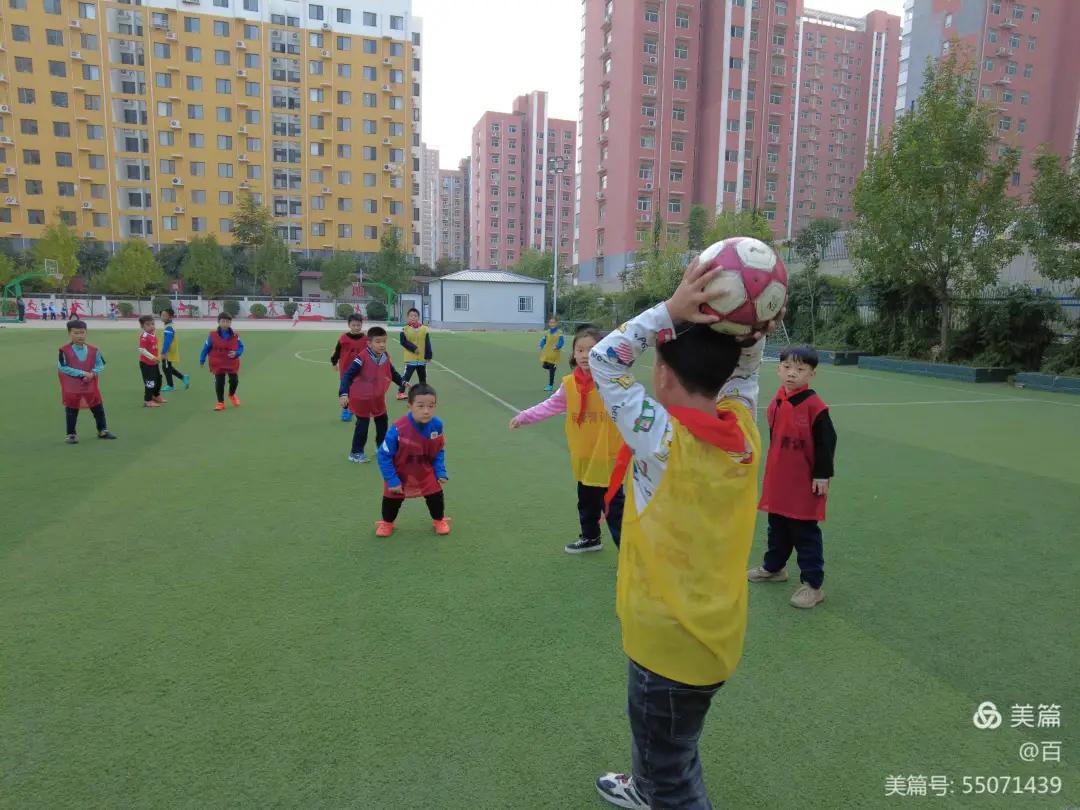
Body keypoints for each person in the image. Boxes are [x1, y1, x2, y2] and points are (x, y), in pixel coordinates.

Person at [592, 261, 773, 810]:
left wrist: (671, 312)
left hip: (667, 646)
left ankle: (656, 789)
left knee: (673, 770)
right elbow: (744, 378)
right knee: (664, 742)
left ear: (665, 377)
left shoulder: (662, 440)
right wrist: (748, 333)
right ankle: (644, 783)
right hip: (713, 635)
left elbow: (604, 359)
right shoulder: (744, 433)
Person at [510, 326, 626, 554]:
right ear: (573, 353)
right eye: (580, 350)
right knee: (586, 501)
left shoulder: (613, 382)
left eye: (591, 350)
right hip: (584, 455)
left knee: (614, 507)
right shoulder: (569, 384)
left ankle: (629, 553)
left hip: (608, 456)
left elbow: (632, 409)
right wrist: (524, 417)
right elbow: (550, 406)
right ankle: (591, 537)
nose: (584, 355)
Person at [748, 345, 837, 609]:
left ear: (812, 374)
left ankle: (813, 585)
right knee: (776, 527)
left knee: (804, 532)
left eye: (800, 369)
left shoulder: (815, 407)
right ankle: (774, 568)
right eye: (787, 367)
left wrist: (822, 475)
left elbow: (827, 443)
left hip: (804, 484)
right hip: (779, 480)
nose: (792, 373)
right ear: (778, 369)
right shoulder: (777, 401)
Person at [375, 383, 450, 537]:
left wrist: (440, 471)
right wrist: (392, 479)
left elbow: (438, 450)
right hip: (400, 473)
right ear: (409, 406)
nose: (426, 411)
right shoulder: (398, 429)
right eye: (420, 406)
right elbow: (384, 455)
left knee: (435, 496)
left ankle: (439, 520)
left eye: (431, 406)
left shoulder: (437, 425)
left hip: (425, 471)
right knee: (391, 499)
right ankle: (387, 523)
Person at [339, 326, 404, 463]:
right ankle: (356, 453)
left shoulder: (385, 356)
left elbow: (391, 372)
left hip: (377, 397)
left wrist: (402, 382)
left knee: (382, 421)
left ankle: (381, 447)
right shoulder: (361, 357)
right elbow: (347, 376)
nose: (382, 345)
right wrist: (343, 393)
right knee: (363, 425)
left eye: (384, 341)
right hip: (362, 397)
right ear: (369, 343)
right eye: (378, 341)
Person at [57, 320, 117, 443]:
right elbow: (62, 367)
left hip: (90, 385)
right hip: (72, 387)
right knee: (71, 410)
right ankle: (71, 434)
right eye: (76, 333)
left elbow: (101, 364)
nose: (80, 336)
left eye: (82, 332)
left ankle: (102, 430)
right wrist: (83, 373)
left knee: (98, 408)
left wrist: (93, 373)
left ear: (86, 333)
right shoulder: (64, 350)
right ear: (69, 334)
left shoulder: (94, 349)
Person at [199, 312, 244, 412]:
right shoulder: (212, 335)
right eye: (223, 321)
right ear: (219, 322)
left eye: (228, 322)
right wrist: (202, 359)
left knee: (234, 381)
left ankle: (231, 395)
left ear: (230, 323)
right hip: (218, 362)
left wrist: (237, 353)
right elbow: (206, 347)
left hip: (231, 361)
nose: (225, 324)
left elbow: (241, 347)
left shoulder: (235, 335)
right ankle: (220, 402)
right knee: (220, 382)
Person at [330, 313, 367, 422]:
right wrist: (334, 362)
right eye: (353, 325)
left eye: (358, 325)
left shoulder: (366, 339)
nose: (356, 327)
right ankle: (345, 409)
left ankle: (355, 407)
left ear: (361, 324)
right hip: (346, 370)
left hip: (360, 370)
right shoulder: (343, 338)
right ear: (349, 325)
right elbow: (337, 351)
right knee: (344, 390)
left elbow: (370, 353)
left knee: (358, 390)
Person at [396, 307, 432, 400]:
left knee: (423, 377)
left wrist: (428, 355)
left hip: (421, 359)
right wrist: (414, 348)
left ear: (418, 317)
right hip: (410, 358)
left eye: (415, 316)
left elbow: (427, 342)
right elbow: (403, 342)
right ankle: (400, 393)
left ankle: (423, 392)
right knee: (406, 377)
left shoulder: (424, 329)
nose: (413, 317)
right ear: (408, 317)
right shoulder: (404, 329)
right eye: (411, 316)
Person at [159, 307, 190, 393]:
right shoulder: (168, 325)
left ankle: (170, 385)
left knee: (165, 367)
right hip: (169, 350)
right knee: (168, 367)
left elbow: (167, 340)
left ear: (170, 317)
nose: (162, 317)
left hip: (167, 351)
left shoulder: (169, 327)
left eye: (164, 315)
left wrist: (164, 351)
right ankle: (183, 377)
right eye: (161, 315)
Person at [137, 315, 166, 408]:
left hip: (154, 363)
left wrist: (159, 356)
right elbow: (141, 349)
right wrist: (153, 357)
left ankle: (156, 395)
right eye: (148, 325)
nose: (151, 326)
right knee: (150, 382)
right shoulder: (144, 336)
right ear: (143, 326)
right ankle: (147, 400)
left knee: (158, 379)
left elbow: (154, 348)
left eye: (153, 324)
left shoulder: (153, 334)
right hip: (146, 364)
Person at [538, 317, 565, 392]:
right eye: (550, 322)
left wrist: (557, 346)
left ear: (556, 323)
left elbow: (561, 341)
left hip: (554, 354)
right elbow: (543, 340)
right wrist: (541, 345)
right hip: (547, 353)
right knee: (544, 366)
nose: (552, 324)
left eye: (553, 322)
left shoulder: (559, 333)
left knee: (551, 370)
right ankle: (552, 368)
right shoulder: (547, 332)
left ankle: (550, 385)